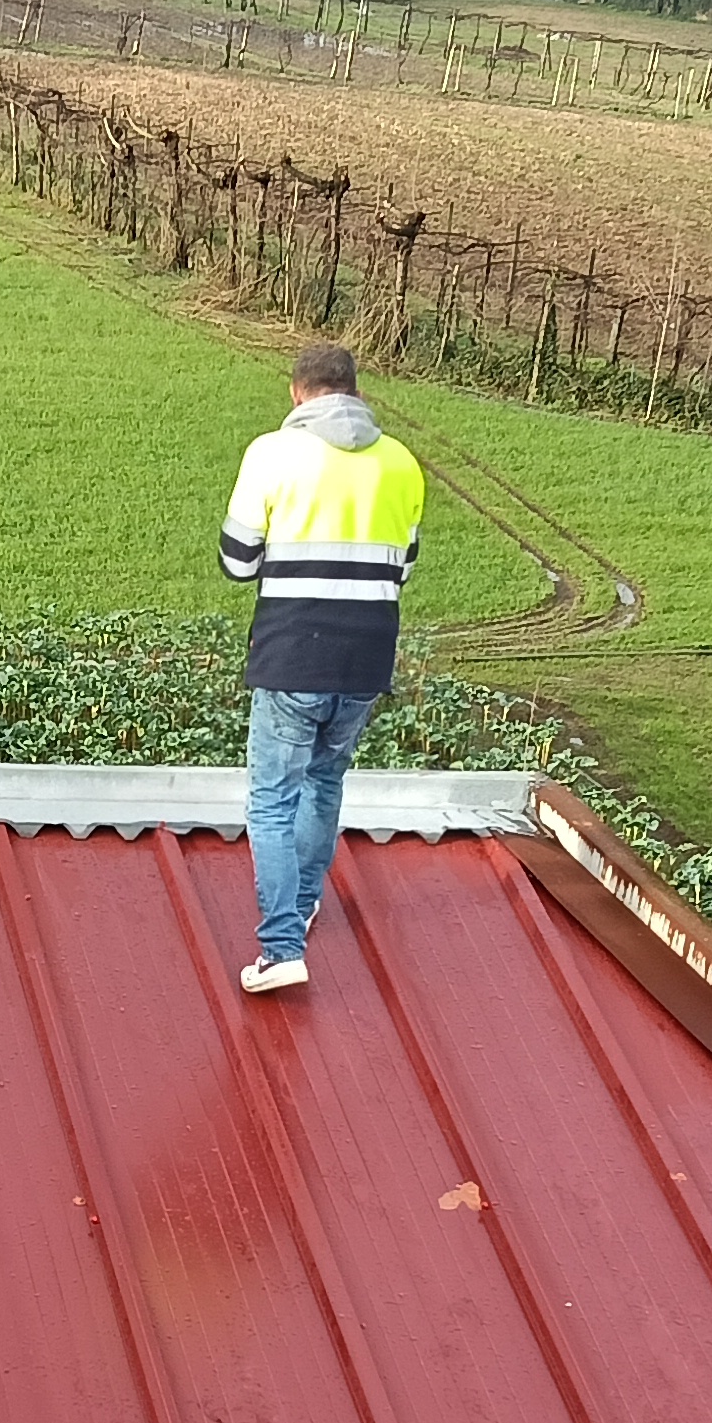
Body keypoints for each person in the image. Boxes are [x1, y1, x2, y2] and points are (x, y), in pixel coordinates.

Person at [215, 342, 428, 997]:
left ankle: (282, 948)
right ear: (355, 393)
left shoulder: (273, 454)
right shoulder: (402, 463)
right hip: (367, 656)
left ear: (296, 393)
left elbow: (237, 560)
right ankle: (306, 904)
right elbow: (405, 566)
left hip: (292, 652)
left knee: (273, 801)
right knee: (326, 780)